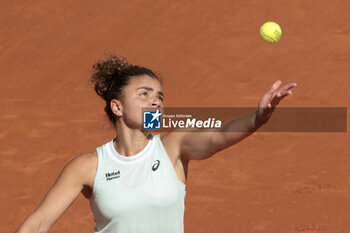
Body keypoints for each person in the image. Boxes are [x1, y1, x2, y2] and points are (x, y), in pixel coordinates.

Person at [14, 55, 297, 233]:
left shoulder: (173, 146)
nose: (156, 101)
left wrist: (257, 119)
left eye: (159, 96)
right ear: (117, 107)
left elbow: (218, 136)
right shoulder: (88, 166)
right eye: (144, 94)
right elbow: (39, 223)